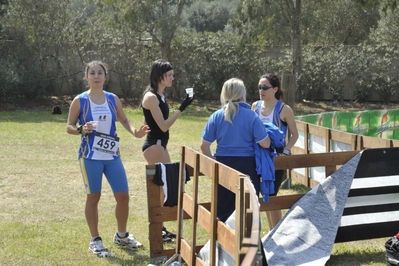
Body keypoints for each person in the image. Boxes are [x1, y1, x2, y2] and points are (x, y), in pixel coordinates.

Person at [66, 60, 150, 255]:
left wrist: (135, 132)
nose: (96, 76)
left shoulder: (113, 99)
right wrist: (80, 129)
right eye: (92, 73)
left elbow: (124, 119)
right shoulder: (80, 100)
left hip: (112, 156)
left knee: (123, 196)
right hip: (90, 157)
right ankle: (95, 240)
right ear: (86, 77)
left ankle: (121, 236)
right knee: (93, 197)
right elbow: (69, 126)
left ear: (105, 77)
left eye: (100, 73)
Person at [200, 78, 271, 223]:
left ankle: (222, 244)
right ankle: (248, 245)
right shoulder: (251, 116)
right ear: (242, 94)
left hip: (223, 166)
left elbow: (204, 145)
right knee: (248, 212)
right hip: (247, 167)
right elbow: (265, 143)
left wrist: (213, 161)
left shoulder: (216, 116)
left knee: (223, 213)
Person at [141, 59, 194, 241]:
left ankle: (161, 228)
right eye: (169, 75)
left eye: (172, 74)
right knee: (162, 188)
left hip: (160, 145)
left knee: (169, 184)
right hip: (154, 145)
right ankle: (158, 229)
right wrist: (182, 108)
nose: (172, 78)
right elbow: (163, 126)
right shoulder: (151, 97)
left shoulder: (160, 96)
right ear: (159, 76)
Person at [251, 73, 299, 230]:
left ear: (275, 89)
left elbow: (295, 134)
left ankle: (276, 232)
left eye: (265, 87)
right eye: (259, 87)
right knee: (264, 197)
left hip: (275, 160)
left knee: (272, 197)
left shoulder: (285, 110)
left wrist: (285, 151)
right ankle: (272, 233)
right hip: (257, 159)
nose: (261, 90)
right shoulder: (255, 106)